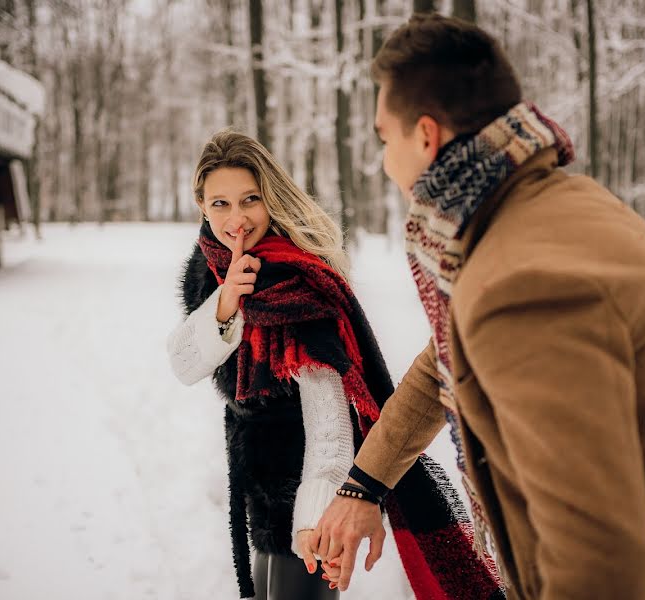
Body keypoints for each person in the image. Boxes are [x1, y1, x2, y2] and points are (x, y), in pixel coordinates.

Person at [309, 13, 645, 599]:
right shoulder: (554, 210)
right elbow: (448, 363)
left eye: (383, 138)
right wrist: (364, 483)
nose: (383, 161)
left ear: (425, 136)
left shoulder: (522, 285)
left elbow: (599, 564)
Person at [166, 130, 504, 599]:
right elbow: (184, 364)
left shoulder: (295, 281)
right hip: (257, 493)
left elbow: (330, 417)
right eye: (220, 203)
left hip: (310, 490)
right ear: (200, 204)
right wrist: (226, 305)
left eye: (250, 199)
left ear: (272, 198)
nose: (236, 218)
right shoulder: (210, 269)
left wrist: (315, 521)